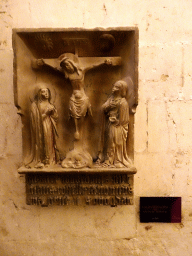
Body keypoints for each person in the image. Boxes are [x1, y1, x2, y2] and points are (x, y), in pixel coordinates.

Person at [99, 80, 132, 168]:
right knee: (110, 142)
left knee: (117, 143)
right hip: (110, 125)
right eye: (114, 86)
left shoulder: (123, 102)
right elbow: (103, 108)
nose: (114, 88)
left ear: (121, 90)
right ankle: (108, 160)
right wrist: (109, 106)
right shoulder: (111, 99)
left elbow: (125, 120)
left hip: (118, 127)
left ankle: (117, 160)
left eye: (117, 87)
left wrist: (117, 121)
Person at [25, 85, 59, 168]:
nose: (46, 93)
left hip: (49, 125)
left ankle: (51, 159)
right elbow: (35, 119)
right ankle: (44, 159)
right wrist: (45, 114)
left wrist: (53, 113)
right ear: (39, 93)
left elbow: (56, 118)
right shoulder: (35, 105)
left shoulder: (50, 104)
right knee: (44, 142)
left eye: (47, 91)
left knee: (50, 142)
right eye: (43, 92)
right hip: (41, 127)